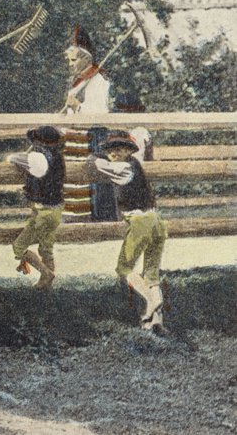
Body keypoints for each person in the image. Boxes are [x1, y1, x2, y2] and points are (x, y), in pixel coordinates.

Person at [87, 130, 168, 332]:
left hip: (141, 221)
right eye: (111, 149)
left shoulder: (122, 168)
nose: (114, 153)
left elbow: (95, 163)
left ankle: (150, 301)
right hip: (157, 220)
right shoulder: (136, 165)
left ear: (128, 151)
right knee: (151, 274)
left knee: (124, 269)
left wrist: (95, 155)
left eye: (120, 149)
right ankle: (157, 320)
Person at [60, 25, 112, 220]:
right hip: (75, 138)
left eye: (73, 60)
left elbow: (100, 114)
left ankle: (95, 219)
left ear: (86, 59)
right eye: (69, 60)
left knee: (91, 179)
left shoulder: (99, 82)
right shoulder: (78, 82)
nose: (70, 65)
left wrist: (78, 107)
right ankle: (75, 216)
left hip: (92, 138)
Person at [6, 125, 66, 289]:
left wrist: (26, 156)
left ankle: (46, 274)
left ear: (39, 142)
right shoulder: (59, 158)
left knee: (19, 247)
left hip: (43, 210)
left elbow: (11, 158)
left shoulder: (36, 158)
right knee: (46, 249)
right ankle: (47, 285)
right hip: (56, 208)